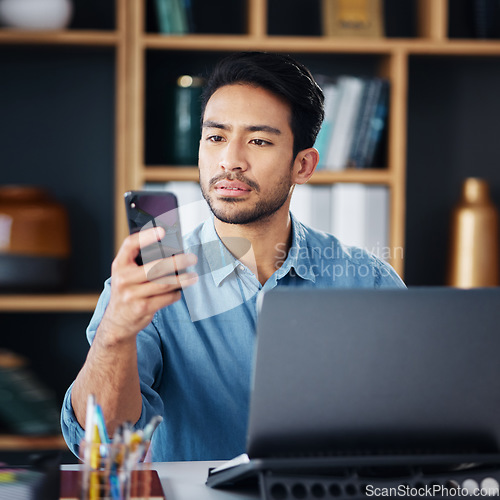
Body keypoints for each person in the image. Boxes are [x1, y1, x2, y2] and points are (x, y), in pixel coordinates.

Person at [61, 51, 405, 462]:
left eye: (258, 140)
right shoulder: (150, 276)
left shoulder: (367, 282)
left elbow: (415, 427)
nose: (230, 161)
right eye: (216, 137)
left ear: (304, 165)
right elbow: (100, 447)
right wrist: (116, 332)